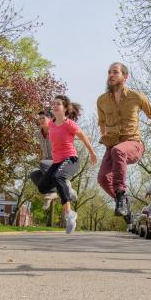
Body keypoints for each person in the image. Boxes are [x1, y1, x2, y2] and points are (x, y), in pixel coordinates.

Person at [97, 62, 151, 223]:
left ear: (125, 77)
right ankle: (124, 204)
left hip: (134, 144)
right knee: (103, 179)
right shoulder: (102, 100)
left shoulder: (136, 96)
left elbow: (150, 112)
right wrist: (105, 138)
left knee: (118, 150)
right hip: (112, 146)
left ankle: (120, 193)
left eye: (115, 72)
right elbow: (102, 123)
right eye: (109, 72)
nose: (111, 75)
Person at [35, 95, 98, 234]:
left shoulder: (70, 124)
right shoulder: (51, 124)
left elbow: (82, 137)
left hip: (70, 160)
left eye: (58, 104)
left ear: (64, 108)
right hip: (57, 162)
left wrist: (92, 153)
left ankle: (69, 214)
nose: (55, 105)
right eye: (54, 103)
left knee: (58, 177)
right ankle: (65, 190)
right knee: (42, 187)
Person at [29, 109, 77, 209]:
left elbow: (69, 134)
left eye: (43, 118)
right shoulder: (38, 134)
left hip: (60, 161)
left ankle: (65, 185)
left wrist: (83, 138)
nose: (41, 120)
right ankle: (53, 192)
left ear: (50, 119)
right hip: (49, 163)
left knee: (43, 163)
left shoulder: (56, 130)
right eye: (40, 119)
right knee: (34, 175)